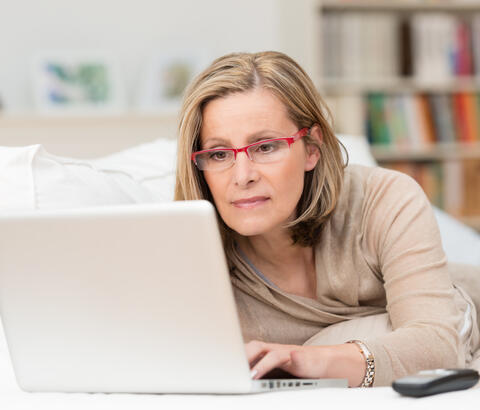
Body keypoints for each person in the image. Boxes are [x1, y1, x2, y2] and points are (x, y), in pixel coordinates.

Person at [174, 51, 480, 387]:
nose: (242, 175)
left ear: (311, 148)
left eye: (266, 147)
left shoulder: (385, 198)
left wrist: (308, 359)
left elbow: (437, 345)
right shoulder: (197, 261)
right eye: (219, 154)